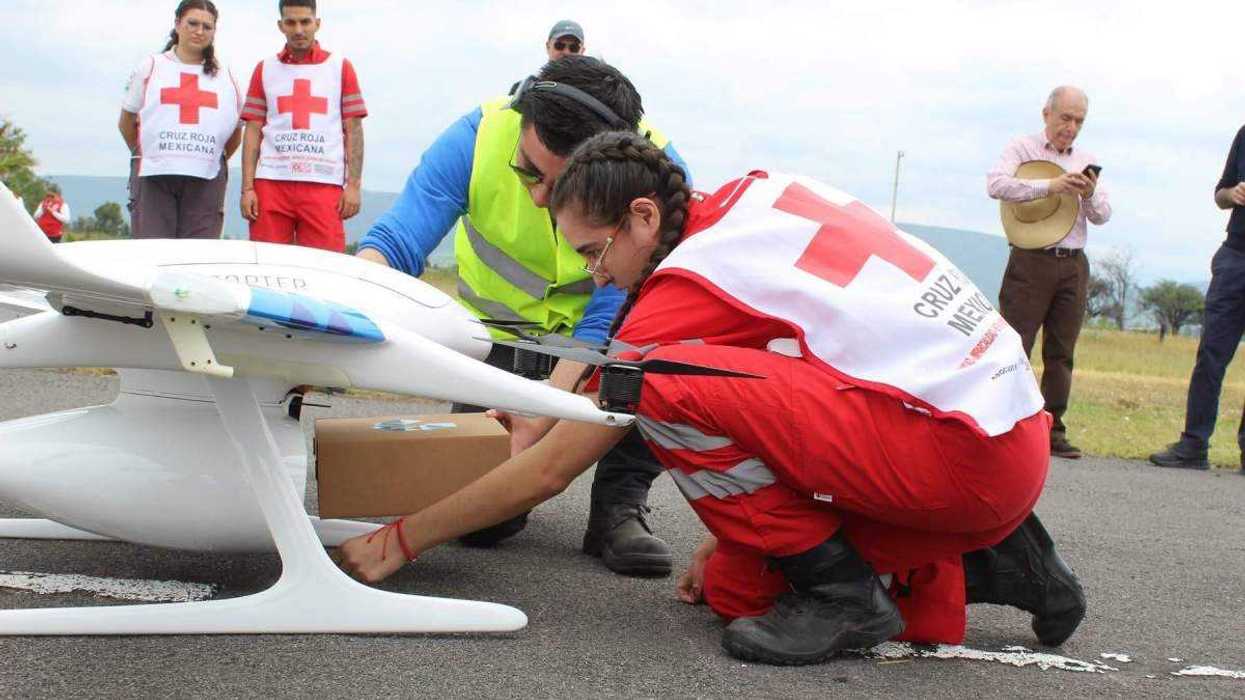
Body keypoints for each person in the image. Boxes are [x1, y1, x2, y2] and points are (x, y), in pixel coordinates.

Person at [341, 131, 1087, 665]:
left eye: (594, 254)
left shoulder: (680, 287)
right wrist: (750, 528)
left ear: (641, 216)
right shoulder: (752, 195)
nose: (597, 278)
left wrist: (399, 540)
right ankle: (1004, 559)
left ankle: (843, 597)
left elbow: (549, 471)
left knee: (664, 395)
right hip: (1003, 432)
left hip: (962, 459)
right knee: (731, 571)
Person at [357, 56, 689, 577]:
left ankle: (619, 502)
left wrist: (542, 419)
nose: (536, 195)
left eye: (555, 188)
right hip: (497, 356)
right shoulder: (478, 135)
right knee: (479, 525)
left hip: (603, 356)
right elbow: (396, 242)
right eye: (527, 170)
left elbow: (611, 319)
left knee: (661, 362)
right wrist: (344, 313)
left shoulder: (654, 172)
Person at [987, 86, 1112, 459]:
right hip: (1031, 259)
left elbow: (1103, 215)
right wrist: (1050, 185)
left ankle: (1054, 427)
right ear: (1047, 114)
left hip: (1073, 262)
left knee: (1062, 350)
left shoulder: (1086, 158)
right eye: (1065, 118)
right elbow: (996, 184)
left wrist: (1087, 193)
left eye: (1079, 121)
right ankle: (1005, 423)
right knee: (1016, 344)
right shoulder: (1021, 148)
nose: (1071, 127)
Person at [1150, 124, 1245, 473]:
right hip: (1236, 257)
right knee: (1210, 356)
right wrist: (1232, 193)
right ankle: (1193, 445)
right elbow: (1220, 193)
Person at [240, 0, 366, 252]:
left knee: (326, 267)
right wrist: (247, 188)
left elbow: (353, 128)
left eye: (305, 22)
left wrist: (353, 185)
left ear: (317, 23)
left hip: (324, 183)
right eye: (291, 22)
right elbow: (252, 130)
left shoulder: (340, 67)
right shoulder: (264, 69)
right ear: (280, 25)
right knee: (266, 264)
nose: (298, 30)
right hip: (271, 182)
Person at [119, 0, 241, 239]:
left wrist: (209, 156)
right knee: (153, 252)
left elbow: (236, 131)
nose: (199, 31)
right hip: (154, 176)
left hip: (205, 177)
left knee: (198, 257)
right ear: (177, 25)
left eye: (207, 26)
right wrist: (149, 153)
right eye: (192, 23)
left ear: (215, 31)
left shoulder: (225, 76)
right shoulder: (151, 66)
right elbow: (126, 121)